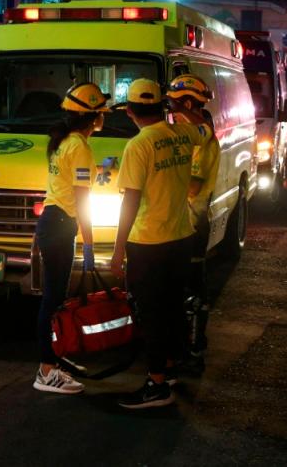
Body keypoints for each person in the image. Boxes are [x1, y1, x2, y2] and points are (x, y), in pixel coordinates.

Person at [110, 78, 212, 409]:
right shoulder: (180, 133)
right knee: (170, 309)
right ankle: (168, 372)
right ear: (161, 106)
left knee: (152, 314)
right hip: (180, 238)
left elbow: (130, 202)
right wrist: (181, 107)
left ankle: (156, 385)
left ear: (129, 111)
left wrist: (117, 248)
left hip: (148, 242)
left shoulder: (138, 145)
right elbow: (206, 130)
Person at [33, 82, 107, 395]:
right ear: (94, 118)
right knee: (52, 299)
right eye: (101, 111)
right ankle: (47, 371)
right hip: (61, 224)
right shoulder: (79, 146)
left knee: (55, 298)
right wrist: (89, 241)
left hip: (53, 222)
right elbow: (81, 200)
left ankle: (54, 362)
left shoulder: (65, 141)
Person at [167, 74, 220, 375]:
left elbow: (192, 187)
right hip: (189, 223)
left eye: (174, 106)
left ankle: (192, 349)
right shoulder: (197, 134)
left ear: (187, 104)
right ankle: (190, 347)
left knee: (191, 291)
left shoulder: (200, 141)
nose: (171, 113)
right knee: (190, 288)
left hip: (191, 224)